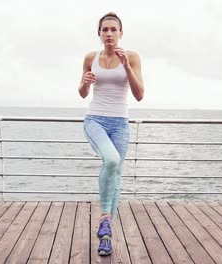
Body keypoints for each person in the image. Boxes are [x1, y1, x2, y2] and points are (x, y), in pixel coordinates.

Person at [78, 12, 144, 256]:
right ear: (99, 33)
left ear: (121, 33)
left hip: (120, 123)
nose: (109, 33)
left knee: (116, 175)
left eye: (113, 29)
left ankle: (106, 234)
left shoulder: (132, 57)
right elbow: (83, 93)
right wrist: (85, 82)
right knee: (112, 160)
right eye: (104, 29)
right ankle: (105, 218)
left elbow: (139, 95)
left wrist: (126, 66)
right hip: (95, 119)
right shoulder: (90, 58)